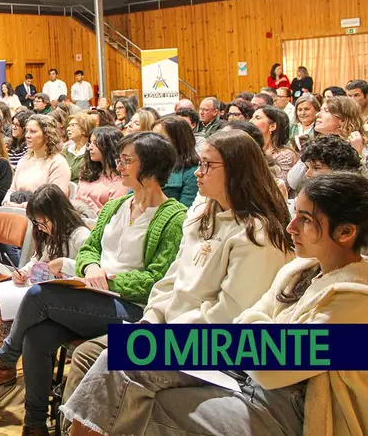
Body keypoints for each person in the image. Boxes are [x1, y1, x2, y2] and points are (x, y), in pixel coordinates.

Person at [63, 172, 368, 436]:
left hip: (285, 409)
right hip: (240, 362)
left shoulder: (355, 299)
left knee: (133, 402)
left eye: (306, 220)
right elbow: (251, 327)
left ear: (345, 232)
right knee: (120, 354)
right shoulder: (299, 269)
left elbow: (269, 368)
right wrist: (263, 333)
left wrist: (260, 332)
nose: (291, 227)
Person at [0, 132, 187, 434]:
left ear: (152, 167)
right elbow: (90, 249)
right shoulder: (116, 207)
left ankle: (3, 364)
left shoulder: (174, 217)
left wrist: (108, 278)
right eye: (120, 159)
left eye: (128, 160)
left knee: (40, 295)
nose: (119, 166)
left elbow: (158, 279)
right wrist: (91, 266)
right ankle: (35, 425)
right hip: (95, 297)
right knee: (36, 336)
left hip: (133, 308)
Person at [0, 185, 90, 409]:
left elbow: (88, 271)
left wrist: (64, 266)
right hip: (37, 291)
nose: (40, 227)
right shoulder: (48, 234)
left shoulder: (80, 236)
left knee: (0, 312)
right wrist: (24, 271)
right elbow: (37, 260)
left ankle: (4, 377)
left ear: (57, 214)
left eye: (43, 222)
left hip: (61, 301)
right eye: (37, 223)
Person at [4, 114, 72, 204]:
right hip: (16, 210)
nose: (27, 135)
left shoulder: (58, 163)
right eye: (27, 131)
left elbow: (55, 200)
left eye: (33, 131)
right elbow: (12, 189)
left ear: (47, 135)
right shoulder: (24, 160)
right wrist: (6, 202)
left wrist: (23, 207)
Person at [75, 126, 128, 214]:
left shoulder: (121, 180)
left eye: (95, 143)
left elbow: (111, 215)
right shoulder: (89, 172)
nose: (90, 148)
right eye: (90, 143)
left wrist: (88, 206)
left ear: (109, 146)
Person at [153, 115, 199, 207]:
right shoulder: (148, 164)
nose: (153, 142)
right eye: (153, 137)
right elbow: (131, 196)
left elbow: (184, 211)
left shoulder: (193, 173)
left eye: (160, 138)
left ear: (179, 140)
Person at [251, 106, 297, 182]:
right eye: (252, 117)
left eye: (257, 118)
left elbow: (280, 187)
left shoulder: (284, 155)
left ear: (272, 126)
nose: (250, 121)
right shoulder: (251, 148)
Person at [64, 114, 95, 182]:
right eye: (68, 126)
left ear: (84, 128)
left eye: (73, 125)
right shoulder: (65, 150)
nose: (68, 129)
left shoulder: (92, 151)